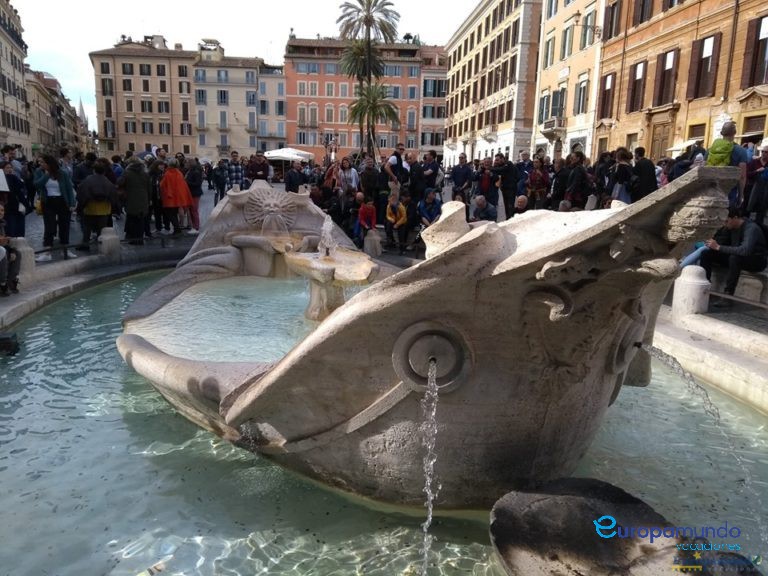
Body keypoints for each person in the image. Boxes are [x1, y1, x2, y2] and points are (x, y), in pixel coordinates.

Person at [700, 208, 768, 306]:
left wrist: (718, 247)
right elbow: (721, 243)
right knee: (706, 254)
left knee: (735, 258)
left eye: (727, 221)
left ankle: (728, 295)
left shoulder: (751, 228)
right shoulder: (730, 227)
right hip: (737, 256)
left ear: (735, 218)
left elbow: (745, 250)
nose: (725, 224)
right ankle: (705, 286)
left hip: (756, 261)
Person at [34, 154, 77, 261]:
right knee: (49, 226)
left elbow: (69, 189)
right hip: (48, 201)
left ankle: (65, 250)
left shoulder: (62, 173)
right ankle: (47, 252)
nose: (41, 164)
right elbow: (36, 185)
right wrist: (46, 175)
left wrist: (72, 204)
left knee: (64, 225)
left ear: (49, 163)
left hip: (62, 201)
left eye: (43, 162)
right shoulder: (39, 172)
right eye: (40, 162)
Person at [706, 121, 749, 207]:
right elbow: (742, 176)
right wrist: (741, 195)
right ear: (735, 133)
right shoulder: (741, 151)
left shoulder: (711, 149)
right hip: (729, 190)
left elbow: (704, 167)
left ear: (721, 133)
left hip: (711, 187)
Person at [76, 161, 117, 248]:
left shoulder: (88, 180)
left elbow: (81, 193)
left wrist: (80, 207)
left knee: (87, 228)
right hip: (104, 209)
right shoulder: (108, 182)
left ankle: (85, 245)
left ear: (94, 170)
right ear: (104, 171)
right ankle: (101, 245)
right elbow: (113, 195)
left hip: (90, 208)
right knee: (101, 230)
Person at [118, 157, 151, 245]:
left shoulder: (127, 173)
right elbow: (149, 188)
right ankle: (139, 239)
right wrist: (149, 199)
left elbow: (120, 182)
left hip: (131, 199)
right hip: (143, 198)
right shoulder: (145, 174)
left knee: (132, 219)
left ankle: (134, 239)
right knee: (141, 220)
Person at [159, 158, 193, 237]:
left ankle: (177, 230)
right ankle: (177, 229)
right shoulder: (179, 173)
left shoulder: (168, 173)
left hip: (170, 197)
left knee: (170, 213)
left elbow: (162, 185)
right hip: (178, 197)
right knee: (174, 213)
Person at [0, 203, 20, 296]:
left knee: (17, 253)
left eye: (2, 210)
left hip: (3, 247)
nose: (1, 212)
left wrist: (12, 250)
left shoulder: (3, 223)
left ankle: (11, 282)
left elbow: (6, 241)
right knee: (3, 252)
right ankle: (3, 284)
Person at [747, 145, 768, 225]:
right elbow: (747, 174)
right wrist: (757, 171)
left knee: (761, 214)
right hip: (752, 190)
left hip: (764, 192)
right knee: (748, 210)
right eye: (762, 151)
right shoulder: (754, 162)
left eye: (766, 152)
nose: (763, 153)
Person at [184, 159, 204, 235]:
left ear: (190, 164)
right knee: (192, 210)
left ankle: (196, 227)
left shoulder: (196, 172)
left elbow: (198, 183)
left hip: (195, 193)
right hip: (191, 193)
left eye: (187, 163)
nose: (186, 164)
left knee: (194, 210)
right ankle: (194, 226)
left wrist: (187, 182)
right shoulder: (190, 171)